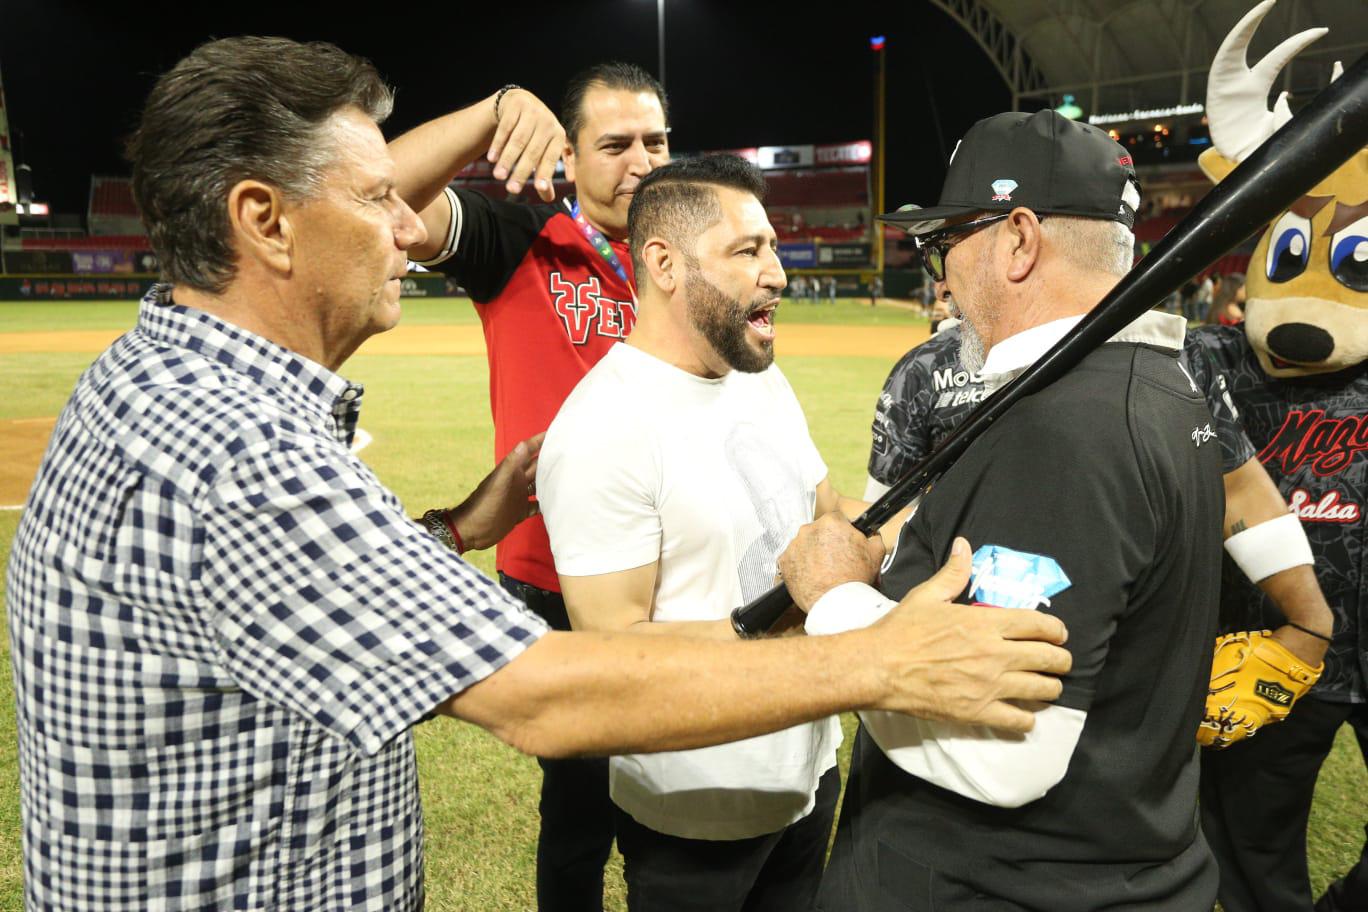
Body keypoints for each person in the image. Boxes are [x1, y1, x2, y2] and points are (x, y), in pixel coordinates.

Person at [6, 39, 1078, 912]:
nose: (406, 228)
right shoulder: (241, 450)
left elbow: (262, 602)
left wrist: (450, 533)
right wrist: (878, 659)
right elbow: (547, 697)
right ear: (263, 221)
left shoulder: (167, 387)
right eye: (378, 198)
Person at [786, 110, 1227, 910]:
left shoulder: (1065, 427)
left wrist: (836, 597)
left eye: (946, 245)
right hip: (1114, 859)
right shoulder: (1160, 387)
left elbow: (1003, 752)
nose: (941, 280)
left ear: (1019, 241)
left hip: (992, 879)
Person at [538, 155, 898, 911]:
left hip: (808, 767)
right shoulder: (603, 427)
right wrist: (782, 622)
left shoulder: (760, 378)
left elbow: (823, 513)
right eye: (747, 250)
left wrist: (908, 521)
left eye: (772, 247)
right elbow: (613, 651)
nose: (778, 273)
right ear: (665, 263)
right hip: (696, 806)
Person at [388, 61, 669, 909]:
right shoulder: (522, 236)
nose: (642, 161)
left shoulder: (686, 252)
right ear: (569, 158)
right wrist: (494, 111)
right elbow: (386, 197)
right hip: (557, 571)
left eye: (656, 141)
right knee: (579, 810)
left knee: (673, 810)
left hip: (676, 567)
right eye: (615, 145)